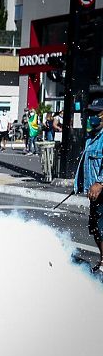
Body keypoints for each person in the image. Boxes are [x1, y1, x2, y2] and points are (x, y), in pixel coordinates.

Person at [75, 98, 103, 273]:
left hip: (101, 189)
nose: (93, 116)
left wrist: (100, 182)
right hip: (95, 193)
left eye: (97, 113)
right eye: (91, 113)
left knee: (101, 228)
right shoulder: (91, 137)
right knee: (95, 229)